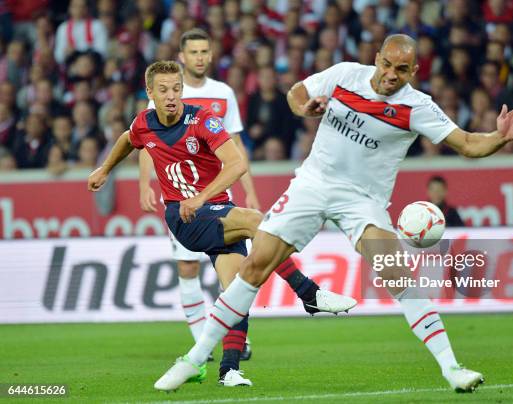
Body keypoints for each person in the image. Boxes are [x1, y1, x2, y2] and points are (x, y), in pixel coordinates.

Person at [154, 34, 513, 393]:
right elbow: (296, 91)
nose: (390, 74)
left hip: (363, 200)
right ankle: (194, 358)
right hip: (313, 184)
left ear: (412, 72)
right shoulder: (345, 75)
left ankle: (452, 368)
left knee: (395, 271)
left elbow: (466, 143)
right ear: (377, 58)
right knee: (256, 266)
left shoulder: (417, 107)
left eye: (401, 70)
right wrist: (303, 106)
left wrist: (499, 137)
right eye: (386, 64)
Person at [87, 60, 356, 387]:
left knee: (239, 291)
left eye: (176, 89)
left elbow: (237, 164)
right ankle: (308, 292)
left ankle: (229, 370)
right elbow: (128, 139)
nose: (171, 96)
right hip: (184, 218)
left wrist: (202, 197)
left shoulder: (201, 120)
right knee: (257, 222)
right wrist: (104, 169)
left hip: (214, 209)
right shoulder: (144, 123)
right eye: (163, 90)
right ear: (150, 93)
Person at [139, 28, 342, 374]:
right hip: (182, 200)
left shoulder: (222, 94)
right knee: (188, 268)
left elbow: (234, 146)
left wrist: (247, 188)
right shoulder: (165, 90)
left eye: (206, 50)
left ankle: (228, 361)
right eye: (194, 52)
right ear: (183, 57)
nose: (201, 57)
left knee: (234, 283)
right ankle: (203, 345)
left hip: (217, 196)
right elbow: (146, 139)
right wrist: (146, 183)